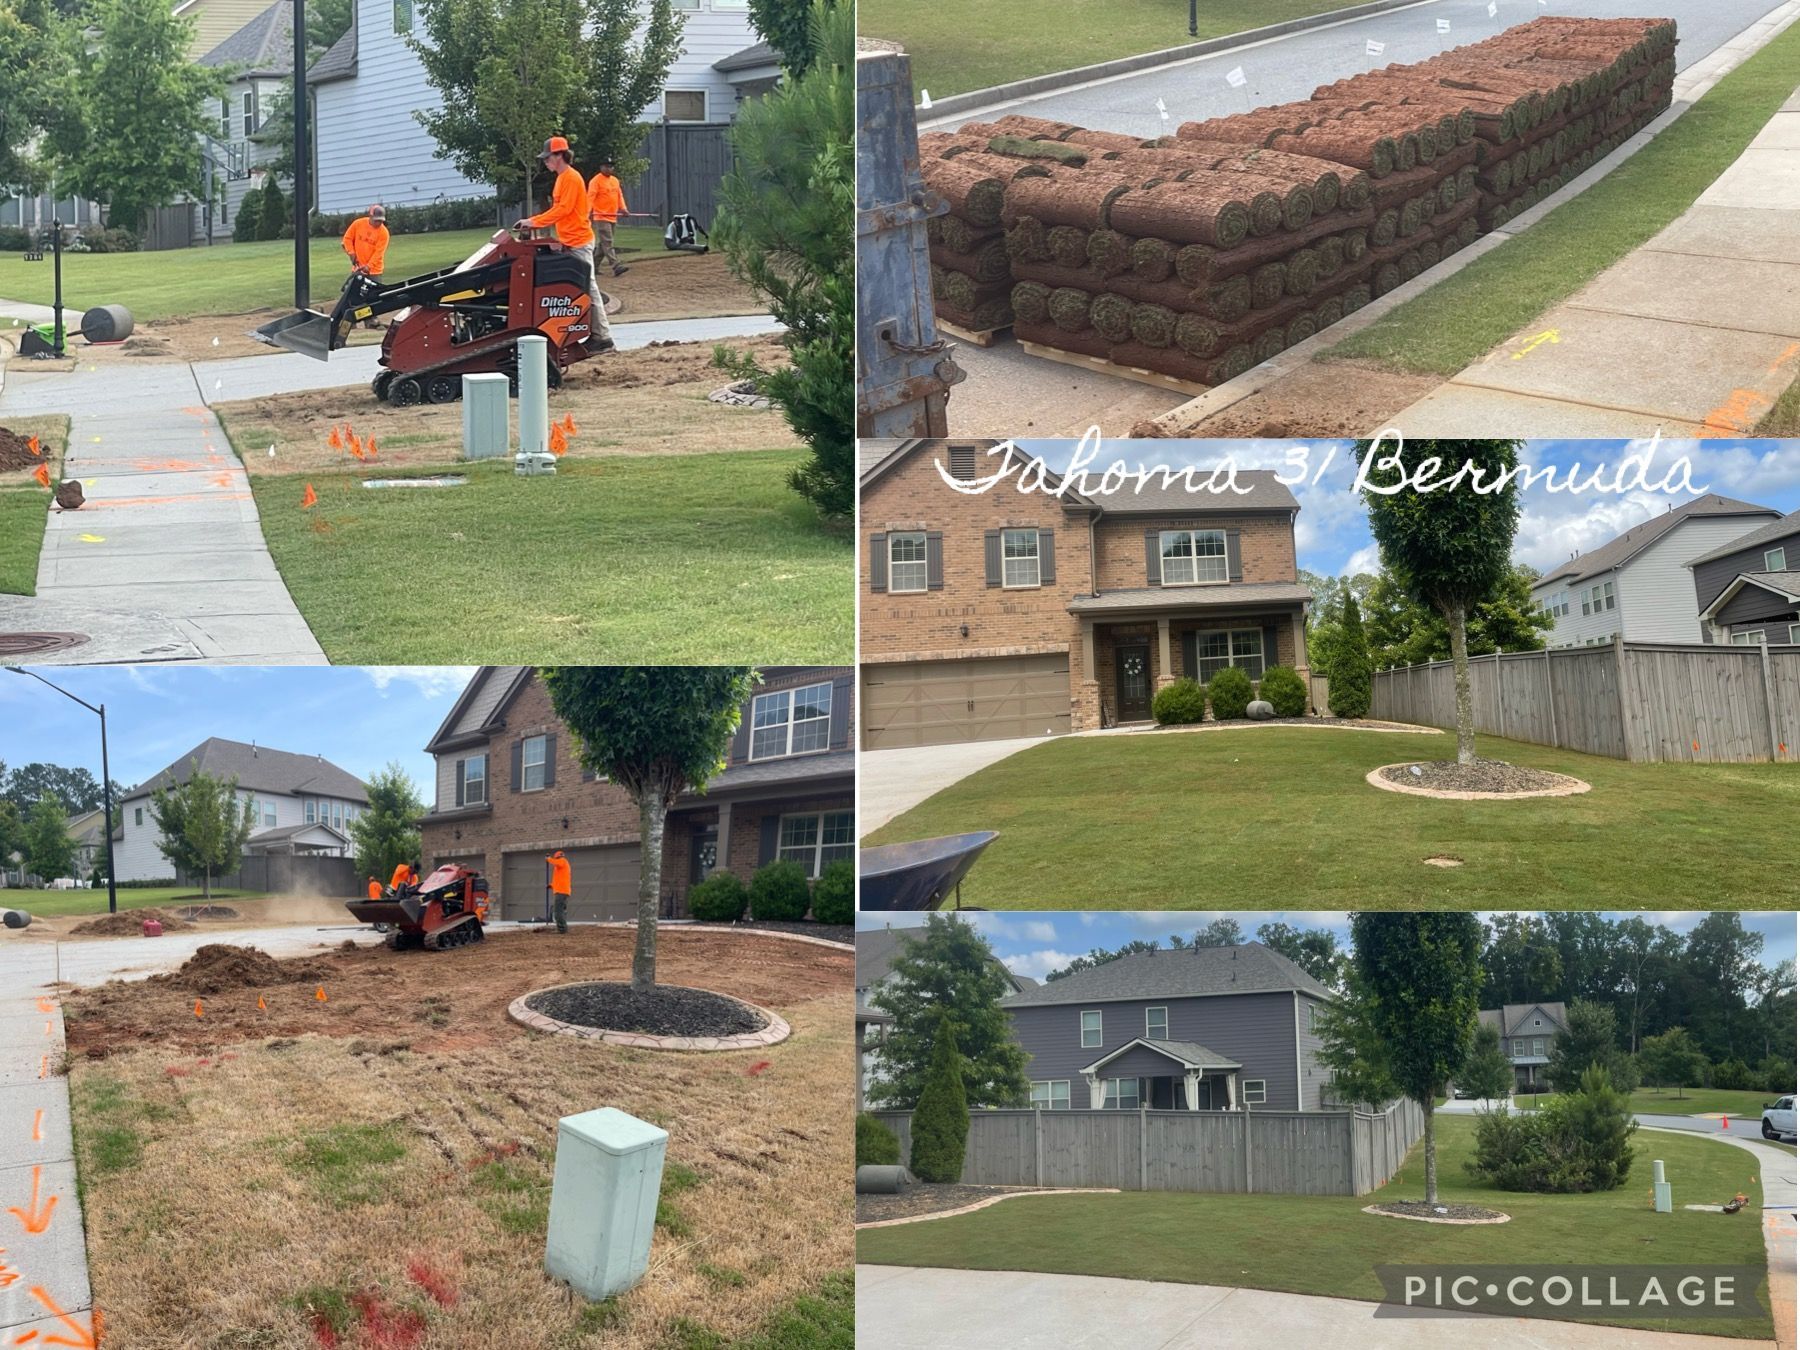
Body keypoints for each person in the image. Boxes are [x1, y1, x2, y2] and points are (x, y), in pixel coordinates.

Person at [515, 136, 614, 351]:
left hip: (579, 241)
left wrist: (533, 222)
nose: (546, 162)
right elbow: (560, 210)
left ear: (560, 155)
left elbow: (563, 210)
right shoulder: (562, 178)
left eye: (548, 157)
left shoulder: (571, 178)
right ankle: (587, 333)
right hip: (569, 241)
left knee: (587, 288)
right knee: (577, 289)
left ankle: (603, 337)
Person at [340, 205, 389, 330]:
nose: (379, 223)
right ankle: (350, 322)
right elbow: (347, 239)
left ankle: (371, 321)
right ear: (370, 216)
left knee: (372, 296)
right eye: (376, 220)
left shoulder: (383, 233)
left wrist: (369, 266)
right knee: (352, 295)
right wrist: (351, 253)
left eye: (381, 221)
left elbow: (379, 253)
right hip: (358, 268)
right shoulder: (358, 224)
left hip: (374, 270)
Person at [586, 155, 629, 278]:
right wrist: (588, 211)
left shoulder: (615, 181)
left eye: (611, 166)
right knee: (608, 241)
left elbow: (619, 195)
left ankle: (592, 267)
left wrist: (623, 208)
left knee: (603, 244)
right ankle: (616, 265)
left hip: (612, 216)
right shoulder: (595, 181)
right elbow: (590, 197)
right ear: (601, 167)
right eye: (607, 166)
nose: (610, 169)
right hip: (601, 216)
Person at [546, 849, 572, 934]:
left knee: (557, 912)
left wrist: (549, 859)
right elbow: (559, 879)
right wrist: (552, 885)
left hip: (561, 892)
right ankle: (563, 928)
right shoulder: (561, 867)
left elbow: (558, 863)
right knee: (561, 911)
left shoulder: (562, 861)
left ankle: (562, 929)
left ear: (557, 857)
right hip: (563, 891)